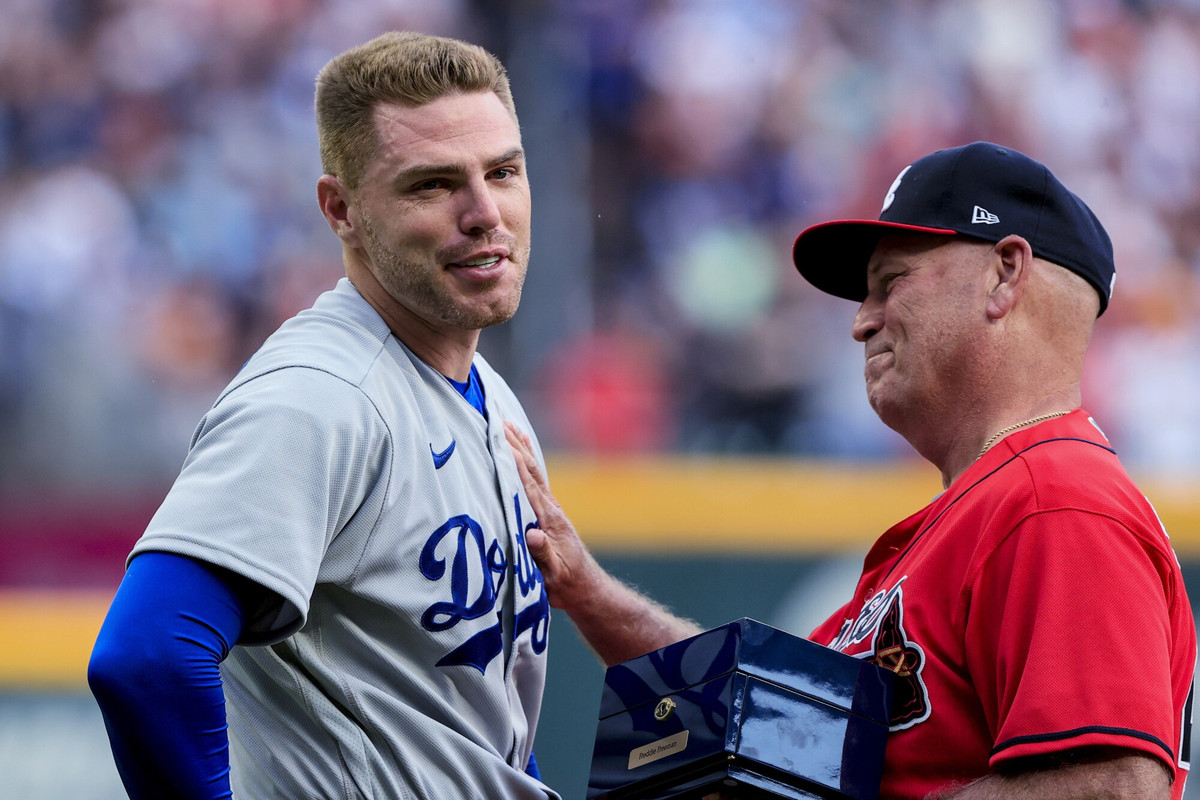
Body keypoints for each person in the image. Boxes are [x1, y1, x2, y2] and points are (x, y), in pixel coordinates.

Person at [506, 141, 1196, 800]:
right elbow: (760, 715)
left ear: (1005, 273)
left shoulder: (1056, 499)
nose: (861, 322)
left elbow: (1112, 785)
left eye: (890, 283)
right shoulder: (976, 516)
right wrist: (587, 590)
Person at [88, 31, 556, 799]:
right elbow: (148, 657)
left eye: (503, 172)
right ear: (340, 209)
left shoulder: (489, 394)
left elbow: (482, 730)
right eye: (433, 185)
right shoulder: (320, 395)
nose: (484, 212)